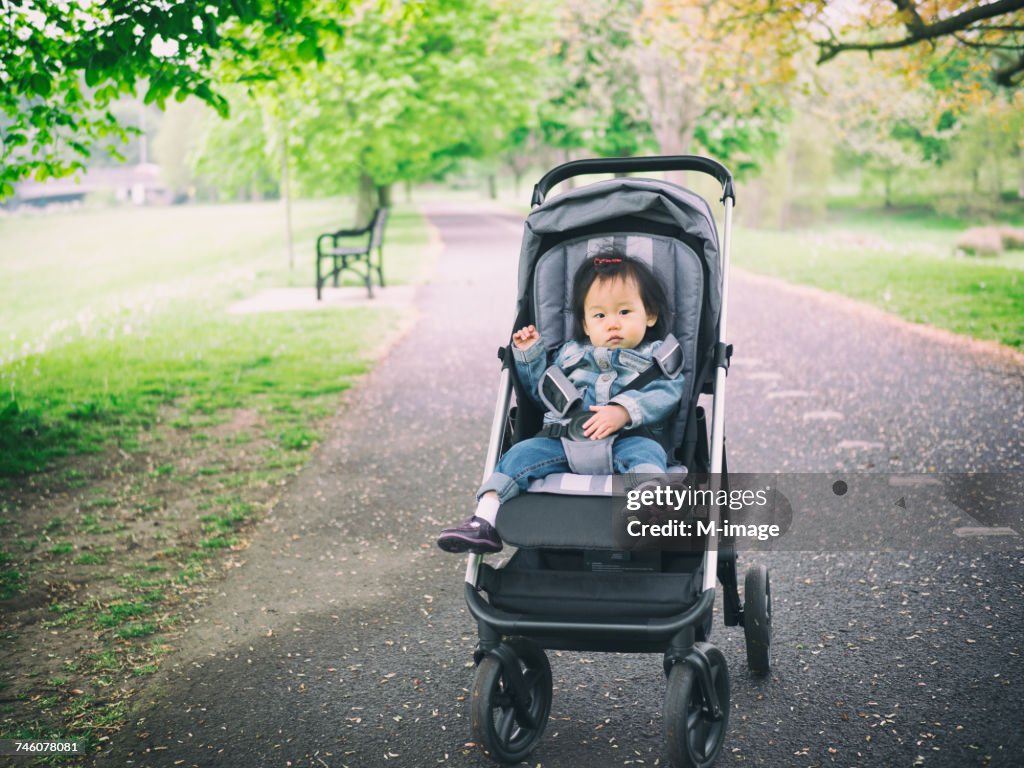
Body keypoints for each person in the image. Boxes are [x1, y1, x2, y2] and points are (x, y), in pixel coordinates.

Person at [436, 250, 685, 554]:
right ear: (584, 323)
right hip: (563, 441)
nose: (612, 324)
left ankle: (647, 514)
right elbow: (543, 390)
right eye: (600, 315)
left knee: (648, 457)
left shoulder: (657, 357)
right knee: (519, 455)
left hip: (627, 439)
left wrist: (623, 412)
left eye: (624, 312)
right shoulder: (570, 353)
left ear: (650, 315)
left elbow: (667, 392)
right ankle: (484, 520)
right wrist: (529, 354)